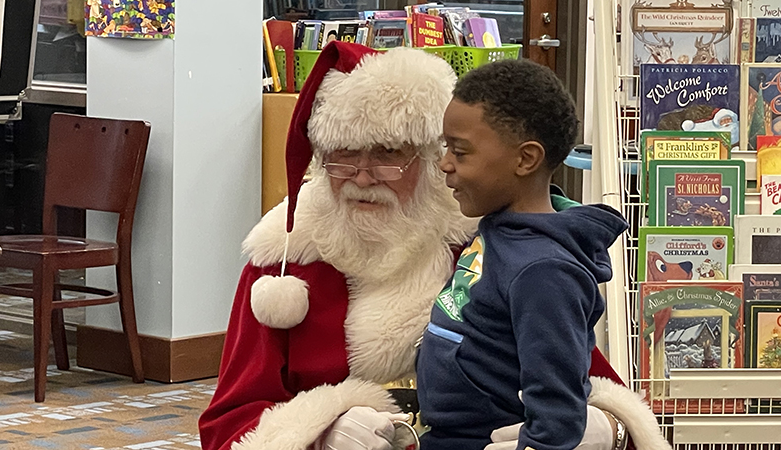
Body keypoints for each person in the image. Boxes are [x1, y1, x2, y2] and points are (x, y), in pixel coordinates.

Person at [198, 41, 669, 450]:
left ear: (427, 158)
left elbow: (585, 374)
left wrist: (608, 429)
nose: (363, 177)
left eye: (388, 155)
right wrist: (313, 432)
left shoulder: (490, 247)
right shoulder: (284, 264)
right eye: (343, 157)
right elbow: (228, 422)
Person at [415, 58, 635, 450]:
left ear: (525, 159)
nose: (445, 164)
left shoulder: (544, 271)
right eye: (445, 147)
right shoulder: (499, 230)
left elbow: (558, 410)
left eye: (460, 152)